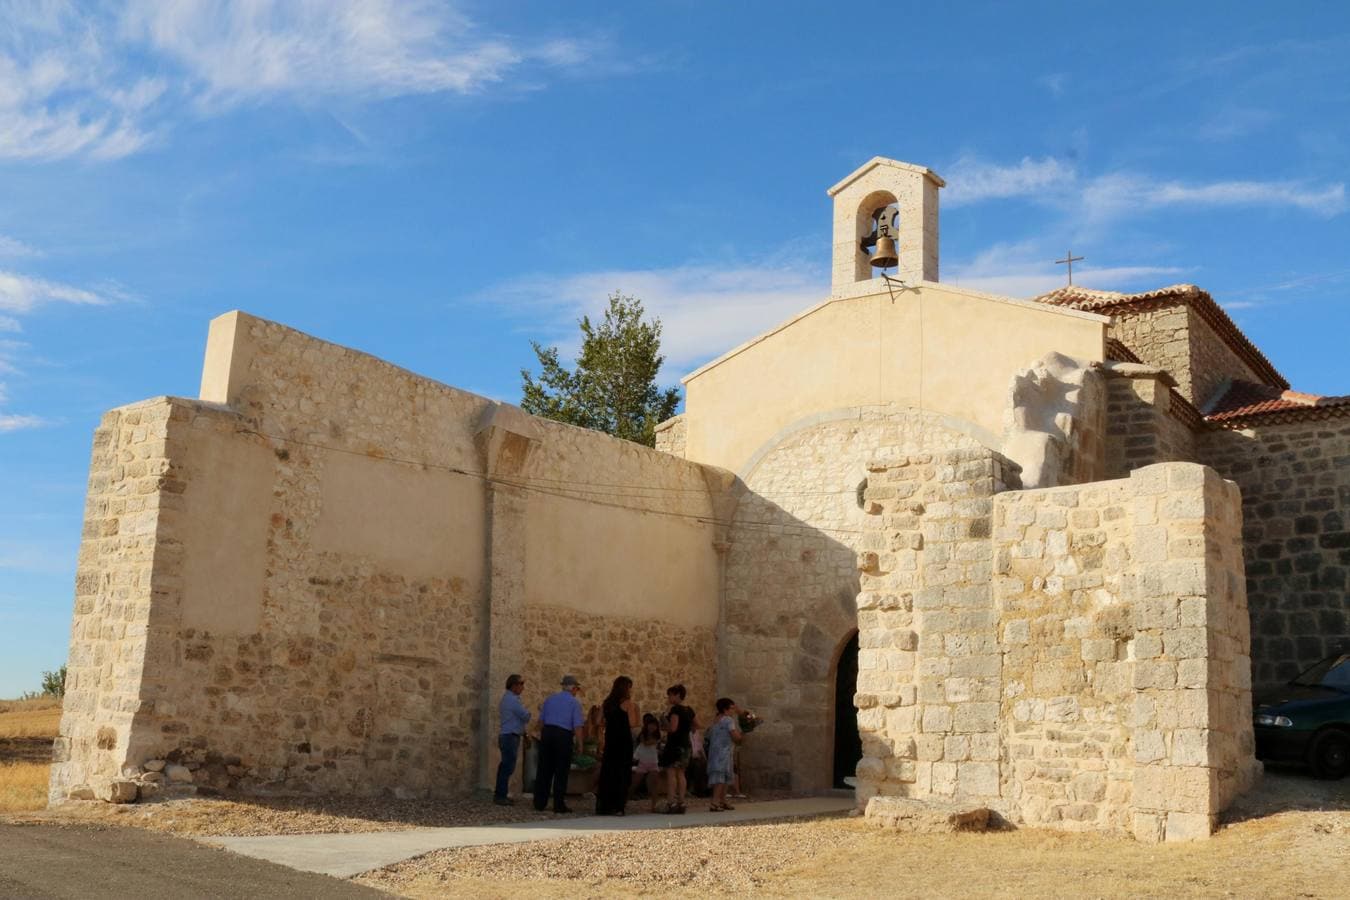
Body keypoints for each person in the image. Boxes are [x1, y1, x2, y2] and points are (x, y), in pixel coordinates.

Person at [534, 674, 585, 813]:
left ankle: (539, 802)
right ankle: (558, 804)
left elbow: (541, 722)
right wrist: (580, 744)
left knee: (544, 769)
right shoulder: (574, 703)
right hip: (563, 736)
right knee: (561, 770)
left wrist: (538, 734)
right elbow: (577, 726)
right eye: (577, 689)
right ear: (573, 688)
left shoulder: (550, 699)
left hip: (548, 733)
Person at [594, 676, 639, 815]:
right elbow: (632, 723)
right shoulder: (627, 703)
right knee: (622, 772)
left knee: (608, 772)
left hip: (611, 741)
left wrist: (609, 724)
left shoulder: (606, 703)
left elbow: (597, 721)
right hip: (623, 741)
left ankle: (605, 805)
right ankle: (619, 806)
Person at [494, 673, 530, 805]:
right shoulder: (513, 700)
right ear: (514, 685)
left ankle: (500, 794)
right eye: (521, 684)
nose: (523, 687)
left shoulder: (508, 699)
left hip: (508, 735)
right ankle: (500, 796)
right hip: (510, 736)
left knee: (506, 766)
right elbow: (525, 716)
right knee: (507, 767)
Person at [659, 683, 695, 814]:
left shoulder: (675, 710)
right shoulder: (689, 710)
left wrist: (663, 725)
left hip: (675, 745)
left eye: (670, 695)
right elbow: (696, 725)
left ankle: (671, 802)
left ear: (677, 695)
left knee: (671, 773)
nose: (668, 697)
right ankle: (682, 801)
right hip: (686, 744)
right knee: (681, 773)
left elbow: (673, 728)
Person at [707, 697, 744, 811]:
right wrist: (744, 732)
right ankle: (715, 802)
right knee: (720, 777)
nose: (733, 710)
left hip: (715, 751)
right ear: (725, 709)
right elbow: (735, 737)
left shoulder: (716, 719)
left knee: (725, 776)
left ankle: (723, 800)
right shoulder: (728, 720)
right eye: (731, 708)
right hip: (724, 752)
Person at [631, 713, 663, 812]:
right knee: (634, 784)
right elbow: (646, 743)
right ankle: (624, 801)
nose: (652, 727)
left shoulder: (657, 736)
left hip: (653, 762)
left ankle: (654, 806)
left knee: (655, 784)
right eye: (650, 725)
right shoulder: (643, 735)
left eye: (654, 725)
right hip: (643, 762)